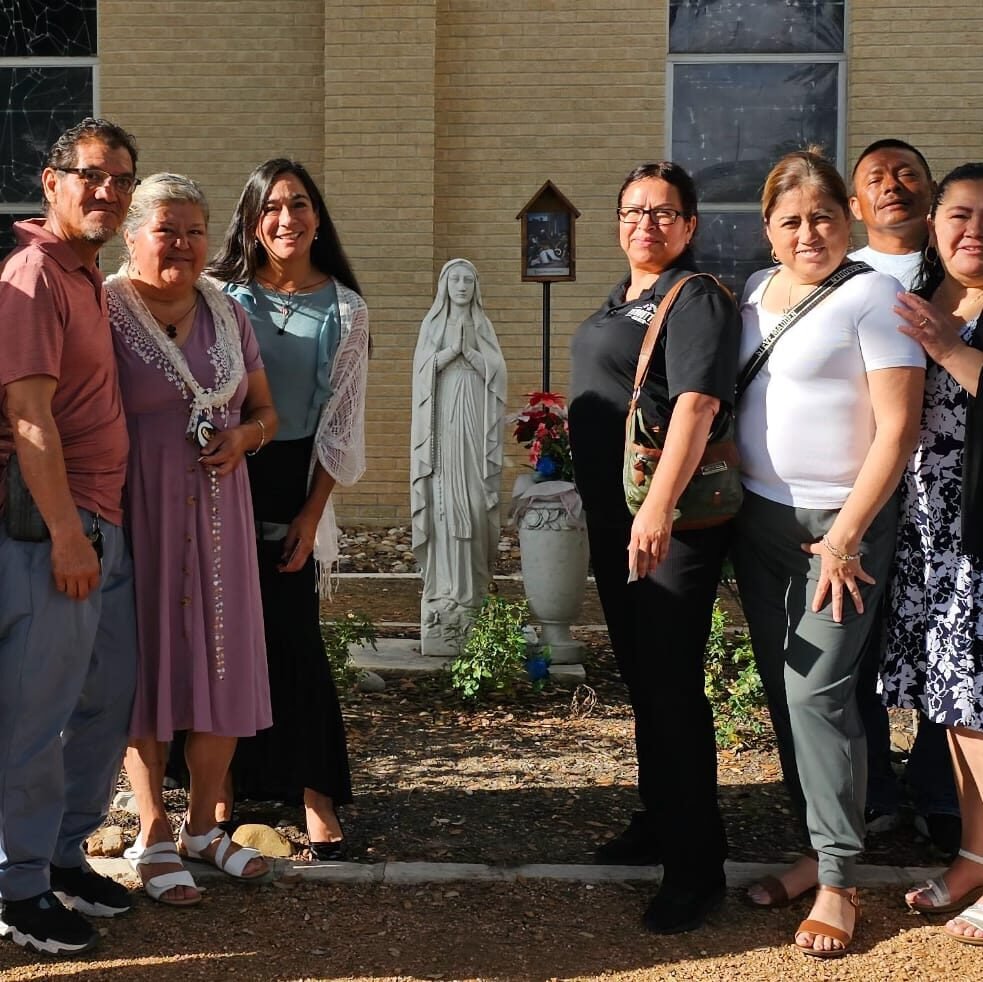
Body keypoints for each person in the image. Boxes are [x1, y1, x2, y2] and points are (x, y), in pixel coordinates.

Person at [733, 148, 924, 957]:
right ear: (768, 231)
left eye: (820, 218)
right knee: (788, 694)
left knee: (819, 695)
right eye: (789, 221)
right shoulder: (753, 292)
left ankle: (841, 880)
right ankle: (817, 848)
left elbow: (899, 428)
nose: (806, 233)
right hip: (760, 521)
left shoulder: (873, 297)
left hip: (840, 527)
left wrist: (845, 531)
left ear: (844, 221)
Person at [568, 162, 741, 934]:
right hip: (618, 520)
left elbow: (698, 403)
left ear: (690, 225)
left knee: (670, 690)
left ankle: (696, 868)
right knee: (643, 681)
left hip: (666, 527)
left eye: (664, 212)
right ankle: (659, 819)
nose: (647, 223)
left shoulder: (695, 296)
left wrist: (659, 510)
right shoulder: (623, 298)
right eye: (633, 210)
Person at [106, 173, 277, 906]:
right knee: (146, 668)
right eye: (167, 229)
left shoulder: (228, 314)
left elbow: (265, 411)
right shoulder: (102, 309)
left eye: (195, 229)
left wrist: (243, 435)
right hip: (135, 511)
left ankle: (205, 826)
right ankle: (150, 830)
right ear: (132, 235)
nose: (182, 243)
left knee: (222, 660)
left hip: (220, 515)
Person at [0, 118, 139, 956]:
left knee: (102, 702)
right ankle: (16, 887)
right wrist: (64, 534)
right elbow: (27, 415)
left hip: (102, 523)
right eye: (91, 175)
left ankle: (59, 857)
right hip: (54, 530)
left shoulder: (86, 276)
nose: (108, 191)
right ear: (50, 183)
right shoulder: (35, 272)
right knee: (35, 717)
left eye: (121, 178)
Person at [209, 158, 369, 858]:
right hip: (216, 481)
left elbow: (342, 424)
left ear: (317, 216)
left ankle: (316, 793)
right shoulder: (216, 297)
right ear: (251, 219)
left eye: (299, 204)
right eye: (271, 206)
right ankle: (219, 789)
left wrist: (310, 515)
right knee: (221, 641)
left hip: (291, 483)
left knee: (295, 642)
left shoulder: (346, 308)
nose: (287, 218)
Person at [879, 163, 983, 945]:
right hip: (926, 537)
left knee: (980, 711)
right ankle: (973, 853)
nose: (971, 229)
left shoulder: (949, 323)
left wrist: (950, 351)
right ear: (933, 222)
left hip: (979, 537)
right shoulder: (918, 300)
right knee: (953, 710)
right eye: (958, 212)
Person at [848, 139, 960, 854]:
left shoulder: (949, 268)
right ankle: (873, 797)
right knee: (855, 644)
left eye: (907, 174)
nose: (893, 186)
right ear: (855, 204)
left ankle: (937, 791)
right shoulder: (838, 273)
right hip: (858, 488)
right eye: (875, 180)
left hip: (943, 495)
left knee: (943, 644)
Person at [410, 259, 507, 656]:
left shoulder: (483, 325)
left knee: (470, 500)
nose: (463, 285)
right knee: (444, 504)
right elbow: (421, 373)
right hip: (442, 424)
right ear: (444, 285)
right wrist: (450, 353)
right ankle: (444, 591)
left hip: (474, 422)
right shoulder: (433, 325)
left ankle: (471, 593)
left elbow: (499, 372)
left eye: (469, 279)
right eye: (456, 279)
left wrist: (475, 356)